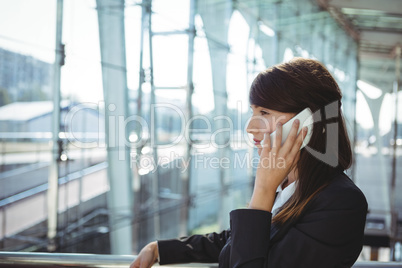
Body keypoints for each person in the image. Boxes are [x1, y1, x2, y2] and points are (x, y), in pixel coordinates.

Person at [130, 58, 368, 268]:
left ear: (308, 122)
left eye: (264, 113)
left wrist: (263, 190)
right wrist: (161, 248)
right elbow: (239, 240)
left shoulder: (341, 203)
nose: (250, 127)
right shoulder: (290, 188)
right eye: (253, 111)